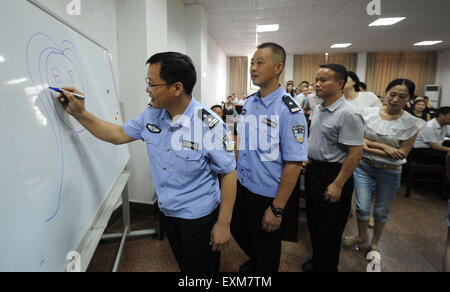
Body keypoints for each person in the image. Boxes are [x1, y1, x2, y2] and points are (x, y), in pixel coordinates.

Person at [56, 52, 237, 272]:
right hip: (168, 212)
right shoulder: (152, 115)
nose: (147, 89)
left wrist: (223, 224)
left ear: (177, 88)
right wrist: (80, 112)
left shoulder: (210, 125)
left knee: (201, 271)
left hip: (199, 219)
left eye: (152, 84)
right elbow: (117, 134)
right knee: (185, 265)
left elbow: (228, 173)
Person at [231, 42, 308, 272]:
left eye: (260, 63)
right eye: (252, 63)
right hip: (243, 185)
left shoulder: (289, 110)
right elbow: (240, 141)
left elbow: (294, 164)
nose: (253, 68)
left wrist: (277, 208)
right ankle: (256, 262)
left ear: (278, 68)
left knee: (267, 249)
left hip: (267, 193)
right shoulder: (250, 102)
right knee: (238, 228)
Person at [343, 79, 426, 265]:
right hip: (363, 166)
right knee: (362, 207)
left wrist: (369, 145)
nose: (395, 99)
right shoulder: (368, 113)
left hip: (390, 171)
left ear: (409, 99)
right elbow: (358, 141)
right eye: (392, 94)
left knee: (381, 210)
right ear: (386, 93)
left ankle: (374, 243)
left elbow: (401, 154)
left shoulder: (412, 123)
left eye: (402, 96)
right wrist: (385, 147)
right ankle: (362, 237)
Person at [302, 64, 365, 272]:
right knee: (315, 221)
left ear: (340, 83)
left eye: (323, 80)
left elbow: (355, 153)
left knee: (330, 227)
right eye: (316, 79)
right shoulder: (318, 107)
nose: (317, 84)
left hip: (334, 174)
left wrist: (338, 184)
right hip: (314, 171)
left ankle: (328, 267)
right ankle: (318, 261)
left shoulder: (348, 114)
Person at [412, 106, 450, 178]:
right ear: (441, 115)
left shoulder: (445, 125)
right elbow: (434, 146)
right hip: (421, 151)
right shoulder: (429, 126)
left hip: (433, 149)